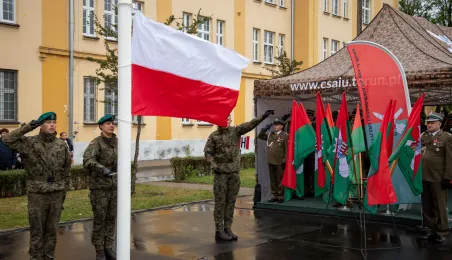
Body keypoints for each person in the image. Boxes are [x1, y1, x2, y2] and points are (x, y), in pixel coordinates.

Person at [2, 112, 72, 260]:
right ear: (41, 125)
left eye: (54, 122)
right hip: (37, 194)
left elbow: (66, 169)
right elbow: (7, 140)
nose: (52, 125)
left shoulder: (61, 144)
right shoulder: (29, 142)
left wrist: (63, 191)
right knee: (37, 230)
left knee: (52, 230)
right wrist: (29, 126)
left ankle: (49, 256)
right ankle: (36, 257)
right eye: (48, 122)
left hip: (57, 193)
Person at [204, 110, 274, 241]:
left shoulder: (235, 131)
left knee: (230, 202)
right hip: (221, 174)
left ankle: (227, 228)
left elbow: (250, 124)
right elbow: (208, 153)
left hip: (234, 174)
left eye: (228, 119)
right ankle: (219, 231)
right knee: (220, 203)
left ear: (230, 120)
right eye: (224, 119)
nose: (226, 121)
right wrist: (215, 166)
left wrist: (263, 116)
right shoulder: (214, 136)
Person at [83, 114, 118, 260]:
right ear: (101, 126)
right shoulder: (96, 143)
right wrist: (101, 168)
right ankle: (99, 250)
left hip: (114, 187)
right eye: (108, 123)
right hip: (100, 188)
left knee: (111, 219)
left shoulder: (117, 142)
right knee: (100, 220)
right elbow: (87, 160)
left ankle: (108, 247)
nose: (111, 125)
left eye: (112, 123)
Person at [420, 112, 452, 243]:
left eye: (432, 123)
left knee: (439, 205)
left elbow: (450, 159)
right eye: (428, 122)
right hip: (424, 176)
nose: (429, 125)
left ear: (439, 124)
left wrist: (448, 177)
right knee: (427, 205)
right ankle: (431, 229)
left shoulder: (446, 138)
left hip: (438, 177)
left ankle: (442, 231)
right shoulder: (423, 136)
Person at [257, 118, 289, 203]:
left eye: (277, 125)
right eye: (274, 125)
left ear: (281, 126)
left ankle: (280, 196)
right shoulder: (270, 134)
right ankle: (274, 195)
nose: (275, 126)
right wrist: (265, 129)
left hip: (279, 161)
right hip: (271, 160)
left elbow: (287, 149)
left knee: (280, 179)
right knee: (273, 179)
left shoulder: (285, 136)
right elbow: (260, 136)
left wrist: (285, 159)